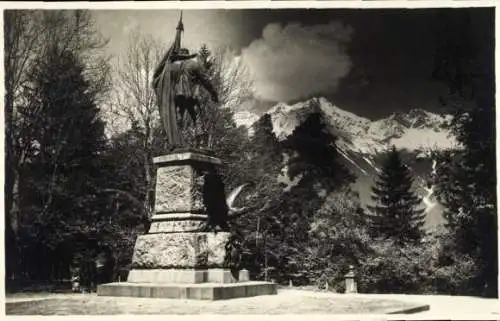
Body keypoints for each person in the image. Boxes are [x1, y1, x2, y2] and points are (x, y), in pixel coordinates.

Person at [153, 47, 219, 151]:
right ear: (187, 55)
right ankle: (201, 144)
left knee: (177, 118)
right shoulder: (194, 64)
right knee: (197, 118)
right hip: (191, 96)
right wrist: (213, 93)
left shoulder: (170, 67)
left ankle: (173, 143)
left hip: (176, 97)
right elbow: (205, 80)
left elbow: (159, 82)